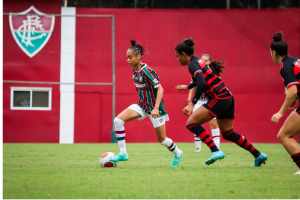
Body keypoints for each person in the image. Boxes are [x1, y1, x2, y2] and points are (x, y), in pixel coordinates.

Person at [175, 38, 267, 166]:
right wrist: (188, 87)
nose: (177, 59)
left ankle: (215, 151)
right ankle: (258, 155)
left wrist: (192, 103)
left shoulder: (192, 64)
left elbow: (201, 82)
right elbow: (202, 80)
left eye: (178, 56)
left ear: (184, 54)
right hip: (228, 97)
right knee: (228, 133)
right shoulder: (197, 61)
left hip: (218, 98)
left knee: (191, 123)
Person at [110, 40, 183, 168]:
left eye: (130, 57)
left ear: (138, 57)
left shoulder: (147, 71)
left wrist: (155, 108)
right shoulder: (134, 70)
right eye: (127, 57)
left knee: (162, 139)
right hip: (142, 106)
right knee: (117, 120)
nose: (128, 60)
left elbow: (160, 89)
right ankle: (123, 153)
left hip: (155, 110)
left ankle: (178, 153)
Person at [176, 54, 221, 152]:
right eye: (202, 60)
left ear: (210, 62)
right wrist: (189, 101)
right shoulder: (198, 71)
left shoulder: (212, 73)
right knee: (194, 122)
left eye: (206, 60)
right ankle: (198, 149)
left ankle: (217, 147)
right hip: (199, 100)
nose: (203, 62)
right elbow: (194, 86)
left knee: (213, 123)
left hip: (210, 100)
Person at [270, 32, 300, 175]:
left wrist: (280, 112)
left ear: (274, 52)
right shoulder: (295, 60)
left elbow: (293, 91)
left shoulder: (285, 67)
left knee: (283, 135)